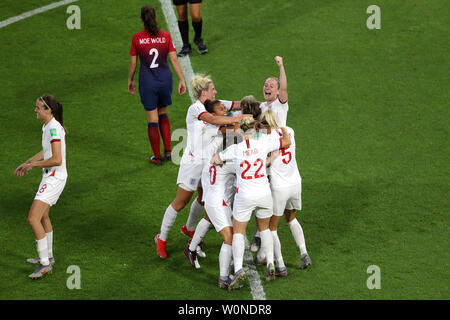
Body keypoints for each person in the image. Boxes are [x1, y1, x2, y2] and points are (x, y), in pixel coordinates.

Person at [154, 74, 245, 259]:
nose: (216, 92)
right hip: (193, 164)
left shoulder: (217, 104)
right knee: (181, 202)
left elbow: (237, 104)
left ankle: (188, 228)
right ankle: (161, 238)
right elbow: (213, 120)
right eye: (213, 89)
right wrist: (238, 119)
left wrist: (264, 105)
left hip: (208, 165)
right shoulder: (195, 109)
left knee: (204, 200)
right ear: (204, 92)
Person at [211, 117, 291, 290]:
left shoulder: (235, 149)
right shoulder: (263, 144)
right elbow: (286, 141)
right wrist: (282, 127)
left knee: (239, 231)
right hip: (264, 193)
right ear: (255, 129)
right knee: (265, 229)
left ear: (240, 131)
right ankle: (270, 262)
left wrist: (222, 160)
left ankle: (238, 268)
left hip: (244, 195)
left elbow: (215, 159)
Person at [183, 100, 237, 289]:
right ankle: (225, 273)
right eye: (221, 110)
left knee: (210, 214)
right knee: (224, 226)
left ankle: (190, 248)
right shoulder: (213, 128)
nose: (224, 112)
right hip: (208, 170)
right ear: (213, 116)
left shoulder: (215, 126)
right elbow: (234, 128)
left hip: (210, 170)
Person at [14, 95, 68, 280]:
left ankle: (45, 265)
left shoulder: (53, 128)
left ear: (48, 110)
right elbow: (48, 151)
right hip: (52, 177)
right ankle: (48, 257)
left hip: (54, 178)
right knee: (43, 216)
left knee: (33, 218)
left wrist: (33, 166)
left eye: (38, 108)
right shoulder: (49, 125)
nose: (35, 110)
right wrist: (28, 161)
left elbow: (57, 159)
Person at [128, 5, 186, 165]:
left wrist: (130, 80)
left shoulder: (137, 38)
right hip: (165, 80)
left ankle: (157, 156)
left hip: (148, 82)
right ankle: (168, 150)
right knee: (163, 113)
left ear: (141, 19)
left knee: (152, 119)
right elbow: (174, 59)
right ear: (155, 18)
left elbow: (133, 63)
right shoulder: (165, 36)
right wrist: (182, 79)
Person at [257, 111, 311, 276]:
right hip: (295, 182)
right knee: (292, 218)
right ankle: (304, 252)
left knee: (271, 228)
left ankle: (280, 265)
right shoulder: (290, 130)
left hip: (279, 187)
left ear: (265, 124)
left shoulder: (266, 139)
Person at [251, 55, 289, 252]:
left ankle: (264, 235)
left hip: (279, 154)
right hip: (266, 153)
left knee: (274, 193)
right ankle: (261, 233)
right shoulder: (262, 107)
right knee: (263, 192)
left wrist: (281, 66)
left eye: (271, 85)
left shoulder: (280, 104)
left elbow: (284, 88)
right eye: (265, 84)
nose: (267, 87)